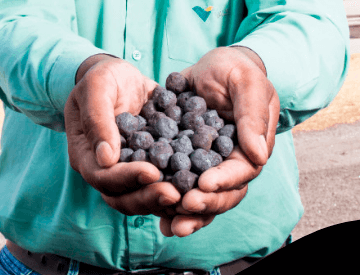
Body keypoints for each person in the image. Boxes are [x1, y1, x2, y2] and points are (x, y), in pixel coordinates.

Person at [0, 0, 349, 274]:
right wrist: (80, 72)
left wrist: (251, 67)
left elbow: (311, 21)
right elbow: (12, 21)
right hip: (40, 265)